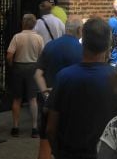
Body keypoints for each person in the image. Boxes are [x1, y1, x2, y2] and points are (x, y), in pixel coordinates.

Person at [47, 17, 117, 159]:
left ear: (83, 41)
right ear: (108, 44)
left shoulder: (64, 77)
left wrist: (58, 153)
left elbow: (51, 128)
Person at [34, 18, 83, 159]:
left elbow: (37, 74)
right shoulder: (81, 50)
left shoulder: (49, 46)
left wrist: (46, 94)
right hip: (70, 104)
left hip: (48, 102)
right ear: (79, 30)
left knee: (44, 143)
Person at [7, 13, 45, 137]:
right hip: (33, 67)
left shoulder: (17, 37)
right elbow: (42, 56)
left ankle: (15, 127)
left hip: (19, 67)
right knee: (33, 99)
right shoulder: (39, 38)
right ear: (34, 24)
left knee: (17, 99)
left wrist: (11, 65)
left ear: (23, 23)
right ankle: (34, 128)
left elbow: (9, 55)